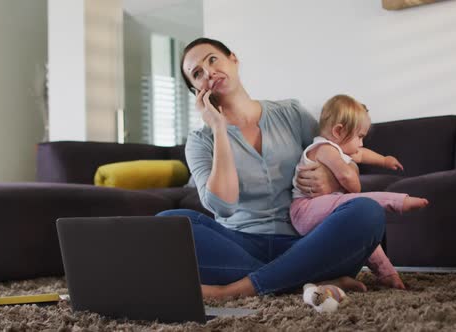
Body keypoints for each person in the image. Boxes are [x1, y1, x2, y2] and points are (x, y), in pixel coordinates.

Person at [157, 37, 386, 299]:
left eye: (212, 59)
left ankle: (233, 290)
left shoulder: (290, 112)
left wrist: (331, 180)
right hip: (237, 244)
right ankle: (306, 278)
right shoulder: (200, 141)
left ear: (233, 59)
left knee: (368, 211)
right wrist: (219, 128)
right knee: (168, 224)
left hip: (307, 242)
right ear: (197, 91)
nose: (209, 72)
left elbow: (348, 159)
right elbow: (224, 206)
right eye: (197, 74)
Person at [290, 94, 429, 290]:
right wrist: (354, 186)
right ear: (338, 131)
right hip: (304, 211)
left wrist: (384, 160)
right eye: (360, 137)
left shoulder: (340, 149)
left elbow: (361, 154)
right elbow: (349, 179)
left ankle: (388, 273)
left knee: (364, 232)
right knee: (358, 201)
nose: (361, 143)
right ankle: (397, 202)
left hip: (323, 208)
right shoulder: (323, 148)